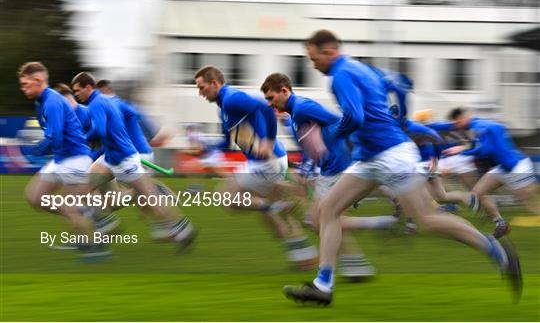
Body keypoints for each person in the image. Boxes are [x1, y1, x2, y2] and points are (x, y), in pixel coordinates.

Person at [283, 30, 521, 305]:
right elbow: (399, 84)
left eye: (314, 58)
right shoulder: (364, 68)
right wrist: (402, 117)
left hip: (391, 155)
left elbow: (355, 117)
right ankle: (323, 285)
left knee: (427, 220)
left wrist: (331, 135)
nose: (313, 65)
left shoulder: (341, 75)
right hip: (371, 157)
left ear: (329, 51)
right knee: (327, 210)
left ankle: (495, 251)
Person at [261, 72, 400, 279]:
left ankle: (339, 269)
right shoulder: (295, 113)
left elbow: (338, 121)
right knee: (318, 220)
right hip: (328, 169)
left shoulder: (302, 107)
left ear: (284, 91)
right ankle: (361, 255)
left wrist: (342, 145)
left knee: (320, 219)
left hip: (336, 167)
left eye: (272, 98)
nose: (271, 105)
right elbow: (313, 142)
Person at [194, 65, 318, 269]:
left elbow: (267, 109)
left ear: (215, 83)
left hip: (267, 161)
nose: (200, 93)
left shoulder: (232, 97)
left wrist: (267, 140)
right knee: (268, 213)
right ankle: (304, 256)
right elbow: (226, 143)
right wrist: (204, 148)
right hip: (261, 162)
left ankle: (292, 197)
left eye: (202, 88)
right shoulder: (224, 107)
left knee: (227, 196)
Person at [71, 72, 195, 247]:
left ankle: (181, 229)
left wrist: (82, 140)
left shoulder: (101, 103)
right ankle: (102, 223)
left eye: (77, 91)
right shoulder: (111, 104)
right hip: (112, 156)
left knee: (146, 200)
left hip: (125, 157)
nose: (77, 95)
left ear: (91, 87)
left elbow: (100, 131)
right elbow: (124, 123)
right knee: (86, 189)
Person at [17, 62, 107, 260]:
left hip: (74, 159)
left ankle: (96, 248)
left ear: (39, 81)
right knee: (34, 196)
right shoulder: (41, 101)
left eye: (26, 84)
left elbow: (55, 137)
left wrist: (35, 150)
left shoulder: (52, 102)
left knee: (69, 207)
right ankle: (87, 213)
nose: (23, 88)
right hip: (61, 158)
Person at [444, 108, 538, 217]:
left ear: (465, 117)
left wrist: (463, 150)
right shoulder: (477, 123)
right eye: (455, 123)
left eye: (458, 122)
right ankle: (500, 223)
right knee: (476, 193)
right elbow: (482, 143)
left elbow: (485, 150)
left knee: (531, 204)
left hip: (517, 168)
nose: (457, 126)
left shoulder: (478, 127)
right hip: (502, 168)